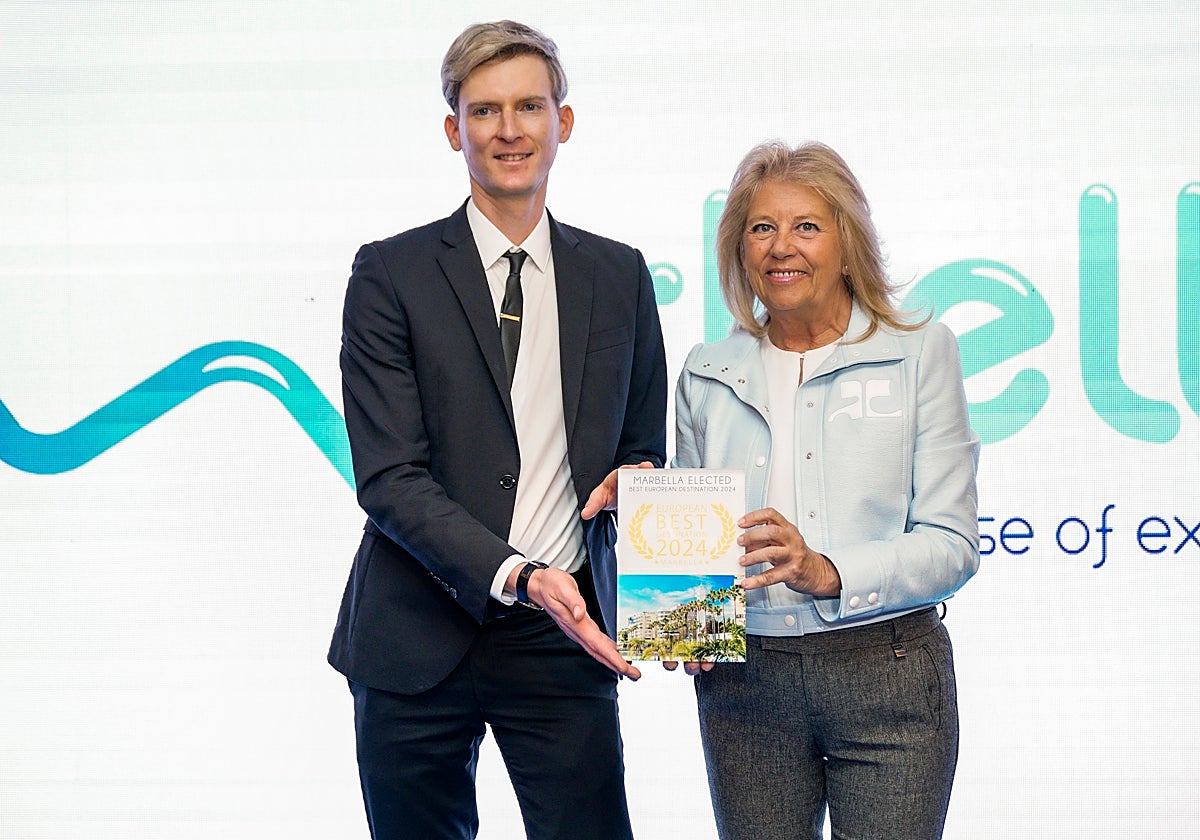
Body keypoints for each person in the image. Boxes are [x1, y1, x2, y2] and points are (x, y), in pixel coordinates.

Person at [327, 20, 667, 840]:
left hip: (563, 631)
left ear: (563, 121)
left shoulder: (619, 273)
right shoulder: (390, 273)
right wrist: (517, 574)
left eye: (528, 106)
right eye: (484, 111)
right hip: (415, 630)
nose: (509, 130)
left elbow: (641, 446)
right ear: (455, 130)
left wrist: (640, 480)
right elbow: (389, 479)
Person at [587, 140, 979, 839]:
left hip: (887, 669)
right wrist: (678, 604)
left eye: (807, 226)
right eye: (761, 228)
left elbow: (952, 546)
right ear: (740, 252)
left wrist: (826, 571)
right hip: (746, 685)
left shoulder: (920, 352)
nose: (780, 247)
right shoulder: (706, 371)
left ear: (848, 245)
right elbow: (697, 560)